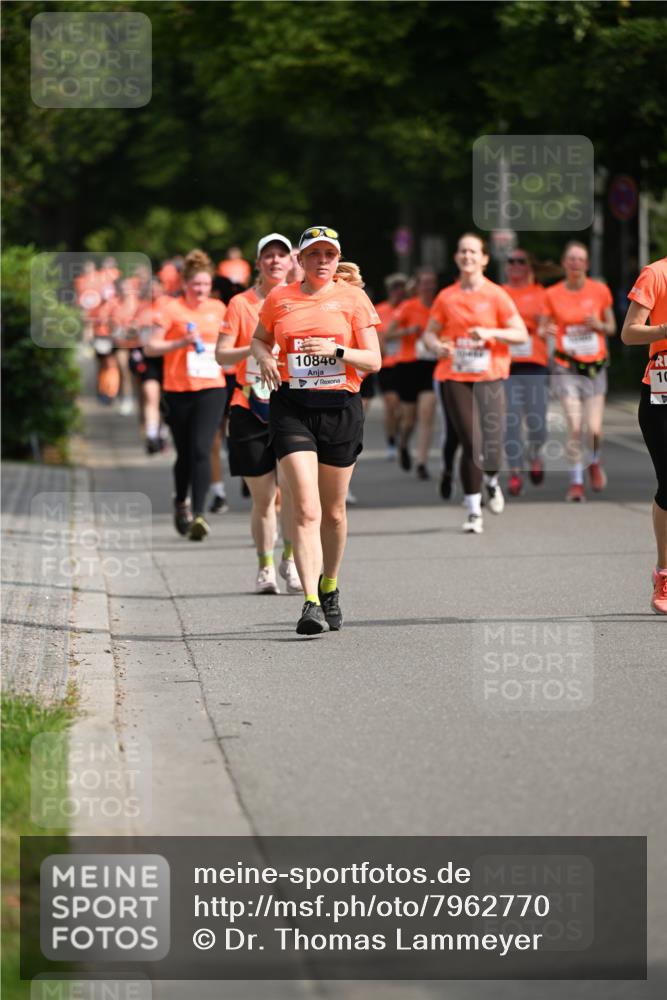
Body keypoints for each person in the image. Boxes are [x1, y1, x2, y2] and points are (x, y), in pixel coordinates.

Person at [250, 226, 381, 634]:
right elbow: (259, 339)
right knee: (306, 508)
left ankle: (329, 584)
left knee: (334, 512)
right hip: (292, 408)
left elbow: (373, 360)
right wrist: (265, 359)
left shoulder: (353, 299)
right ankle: (309, 603)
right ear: (300, 260)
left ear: (336, 258)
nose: (322, 260)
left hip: (340, 408)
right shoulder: (279, 298)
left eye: (329, 254)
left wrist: (337, 351)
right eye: (314, 254)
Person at [423, 233, 528, 534]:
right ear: (457, 258)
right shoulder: (447, 296)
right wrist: (435, 346)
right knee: (472, 442)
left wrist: (491, 332)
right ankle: (472, 510)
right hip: (454, 375)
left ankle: (492, 482)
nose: (467, 256)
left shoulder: (496, 295)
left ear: (483, 258)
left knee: (492, 447)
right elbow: (429, 333)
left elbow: (520, 333)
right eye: (462, 251)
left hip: (491, 375)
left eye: (473, 251)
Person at [215, 232, 301, 594]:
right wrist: (253, 349)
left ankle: (292, 561)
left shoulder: (299, 301)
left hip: (292, 404)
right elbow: (221, 355)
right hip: (248, 404)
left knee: (294, 494)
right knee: (264, 499)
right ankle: (266, 567)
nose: (276, 260)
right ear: (258, 262)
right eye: (269, 255)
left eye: (282, 254)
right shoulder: (239, 304)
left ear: (290, 262)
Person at [145, 249, 227, 540]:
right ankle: (182, 502)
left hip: (212, 387)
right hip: (178, 389)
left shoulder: (219, 308)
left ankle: (200, 514)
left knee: (203, 450)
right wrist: (180, 342)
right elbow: (151, 347)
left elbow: (230, 346)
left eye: (205, 284)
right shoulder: (169, 308)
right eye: (196, 285)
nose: (201, 290)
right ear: (185, 283)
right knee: (185, 454)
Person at [544, 242, 616, 502]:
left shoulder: (599, 291)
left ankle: (594, 460)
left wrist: (599, 324)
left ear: (586, 264)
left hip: (595, 367)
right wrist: (547, 331)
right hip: (566, 365)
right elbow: (543, 328)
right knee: (575, 426)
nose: (575, 263)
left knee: (593, 429)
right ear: (564, 263)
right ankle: (576, 483)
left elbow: (612, 326)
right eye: (571, 259)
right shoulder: (552, 294)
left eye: (580, 259)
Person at [621, 256, 667, 614]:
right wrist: (664, 330)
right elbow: (629, 332)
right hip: (661, 395)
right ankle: (664, 573)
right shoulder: (656, 273)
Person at [502, 250, 550, 496]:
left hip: (535, 365)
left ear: (530, 266)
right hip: (506, 366)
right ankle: (515, 471)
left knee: (537, 422)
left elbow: (550, 324)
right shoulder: (499, 293)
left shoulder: (542, 294)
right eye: (511, 261)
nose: (516, 265)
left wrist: (542, 327)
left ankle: (535, 455)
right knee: (510, 421)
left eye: (521, 261)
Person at [386, 268, 439, 479]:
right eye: (423, 282)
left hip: (431, 365)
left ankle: (422, 462)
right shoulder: (408, 307)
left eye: (430, 282)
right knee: (409, 419)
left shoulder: (439, 306)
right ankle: (404, 442)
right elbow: (389, 334)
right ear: (417, 286)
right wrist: (408, 331)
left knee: (427, 413)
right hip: (408, 365)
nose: (427, 286)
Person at [375, 273, 408, 459]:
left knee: (405, 410)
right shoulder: (380, 310)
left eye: (401, 287)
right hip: (387, 364)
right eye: (395, 287)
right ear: (389, 290)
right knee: (391, 404)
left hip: (406, 363)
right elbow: (380, 336)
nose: (398, 291)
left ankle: (401, 436)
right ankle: (391, 441)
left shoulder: (409, 308)